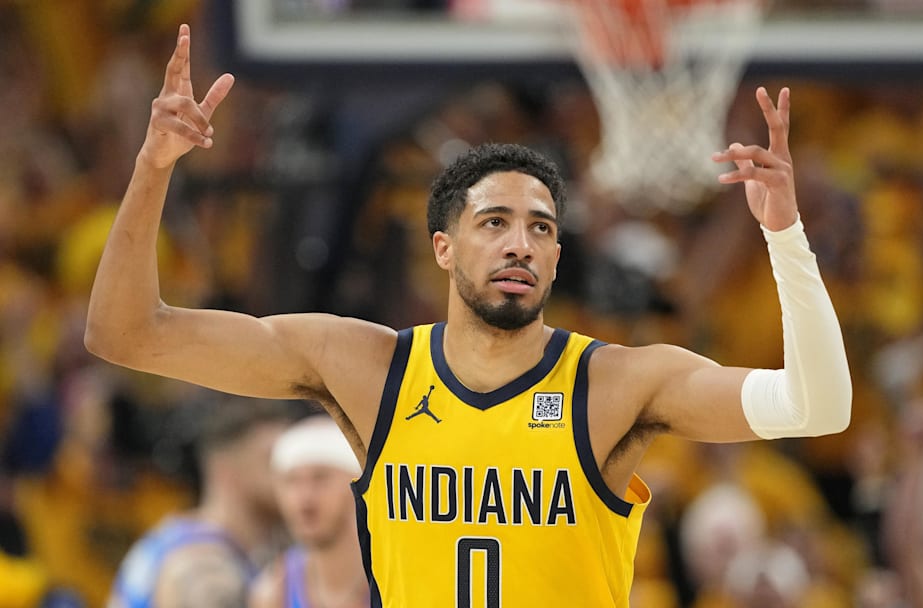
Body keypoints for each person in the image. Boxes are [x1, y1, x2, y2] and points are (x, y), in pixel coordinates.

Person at [85, 24, 851, 607]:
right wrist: (152, 169)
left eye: (541, 229)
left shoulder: (617, 384)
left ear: (555, 259)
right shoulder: (369, 370)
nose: (521, 243)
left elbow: (817, 406)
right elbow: (126, 334)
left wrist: (783, 233)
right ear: (444, 249)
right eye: (495, 223)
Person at [107, 398, 295, 608]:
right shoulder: (199, 564)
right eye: (270, 459)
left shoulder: (186, 538)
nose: (290, 475)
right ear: (226, 470)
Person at [249, 415, 369, 608]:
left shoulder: (394, 579)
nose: (304, 498)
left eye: (321, 478)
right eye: (291, 481)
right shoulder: (273, 592)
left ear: (356, 483)